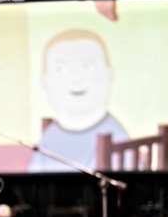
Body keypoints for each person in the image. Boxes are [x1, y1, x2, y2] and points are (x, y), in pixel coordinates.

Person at [28, 29, 129, 172]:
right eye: (60, 69)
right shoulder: (51, 133)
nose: (75, 77)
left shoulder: (116, 137)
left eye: (86, 66)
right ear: (44, 81)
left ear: (109, 74)